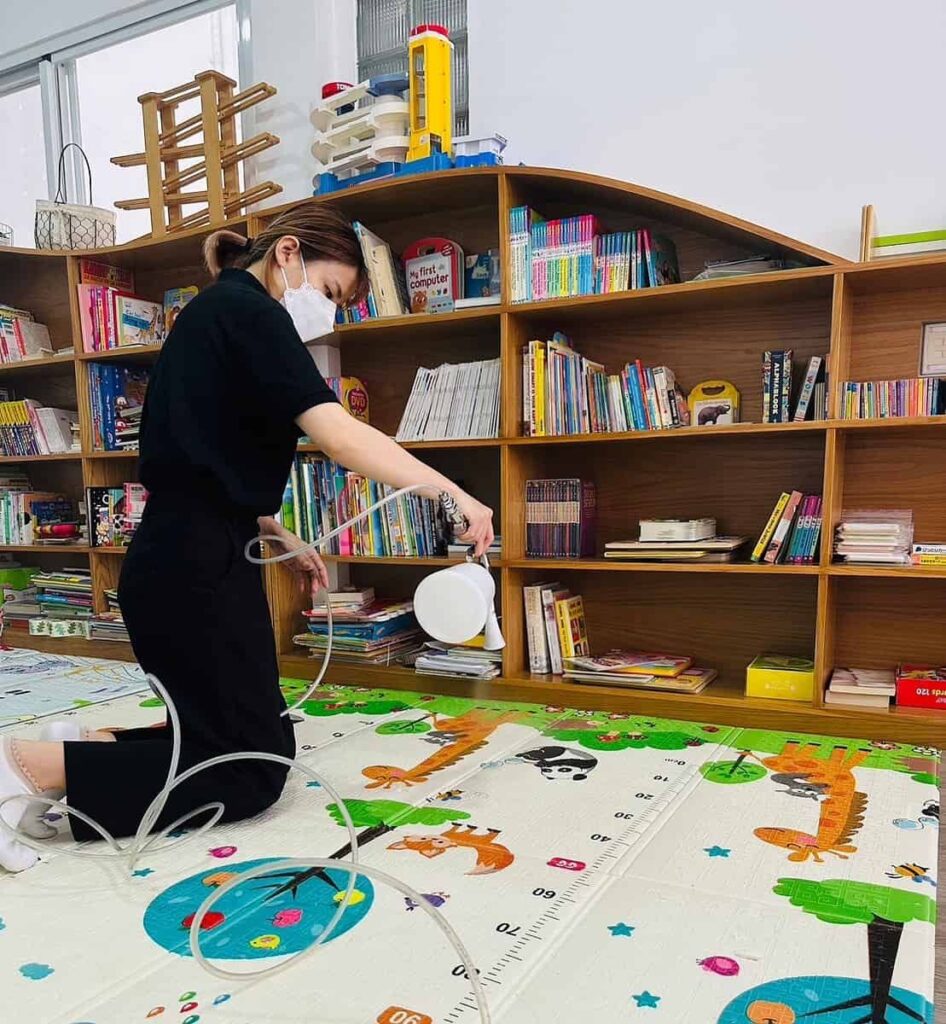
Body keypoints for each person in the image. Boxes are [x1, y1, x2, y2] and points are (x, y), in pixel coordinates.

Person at [0, 205, 494, 872]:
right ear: (287, 253)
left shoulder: (218, 311)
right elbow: (339, 434)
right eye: (330, 292)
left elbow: (200, 449)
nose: (329, 313)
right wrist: (454, 494)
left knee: (248, 740)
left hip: (192, 552)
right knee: (250, 770)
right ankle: (32, 767)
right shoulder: (250, 311)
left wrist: (272, 526)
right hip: (188, 565)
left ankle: (76, 750)